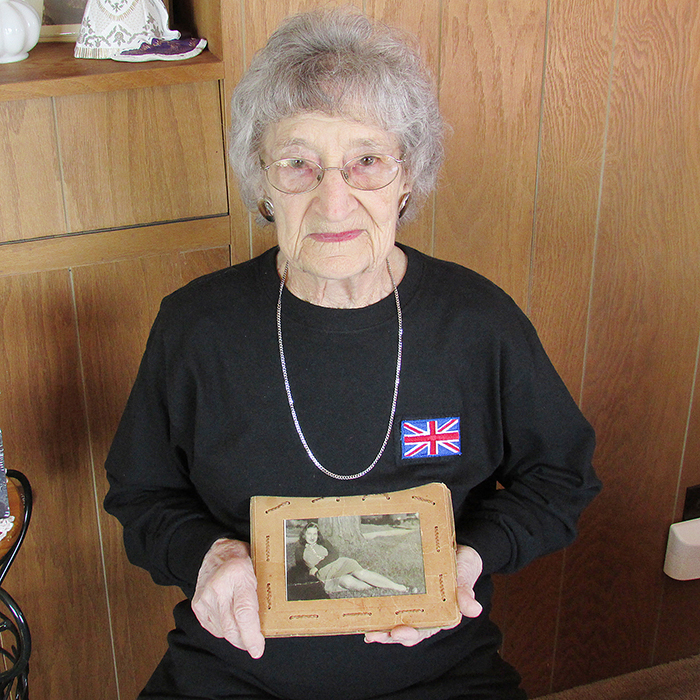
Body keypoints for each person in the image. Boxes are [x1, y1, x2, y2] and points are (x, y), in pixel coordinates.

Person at [104, 8, 601, 700]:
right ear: (263, 181)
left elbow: (561, 478)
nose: (333, 200)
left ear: (409, 175)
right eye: (299, 164)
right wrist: (208, 556)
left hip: (440, 671)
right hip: (233, 672)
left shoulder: (478, 324)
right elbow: (141, 493)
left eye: (366, 161)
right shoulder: (196, 328)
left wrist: (469, 558)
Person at [293, 521, 415, 595]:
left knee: (361, 573)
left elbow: (334, 554)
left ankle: (400, 587)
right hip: (326, 576)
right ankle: (380, 586)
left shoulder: (323, 542)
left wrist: (316, 567)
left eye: (315, 533)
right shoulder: (300, 550)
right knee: (347, 582)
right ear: (304, 534)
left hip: (340, 564)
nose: (312, 537)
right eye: (309, 533)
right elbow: (301, 570)